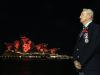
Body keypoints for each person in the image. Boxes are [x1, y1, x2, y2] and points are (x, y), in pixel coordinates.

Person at [73, 8, 100, 75]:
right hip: (81, 68)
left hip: (91, 68)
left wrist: (81, 62)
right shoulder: (82, 31)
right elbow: (77, 47)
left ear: (89, 16)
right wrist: (75, 60)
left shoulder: (96, 28)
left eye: (82, 14)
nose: (79, 17)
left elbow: (93, 47)